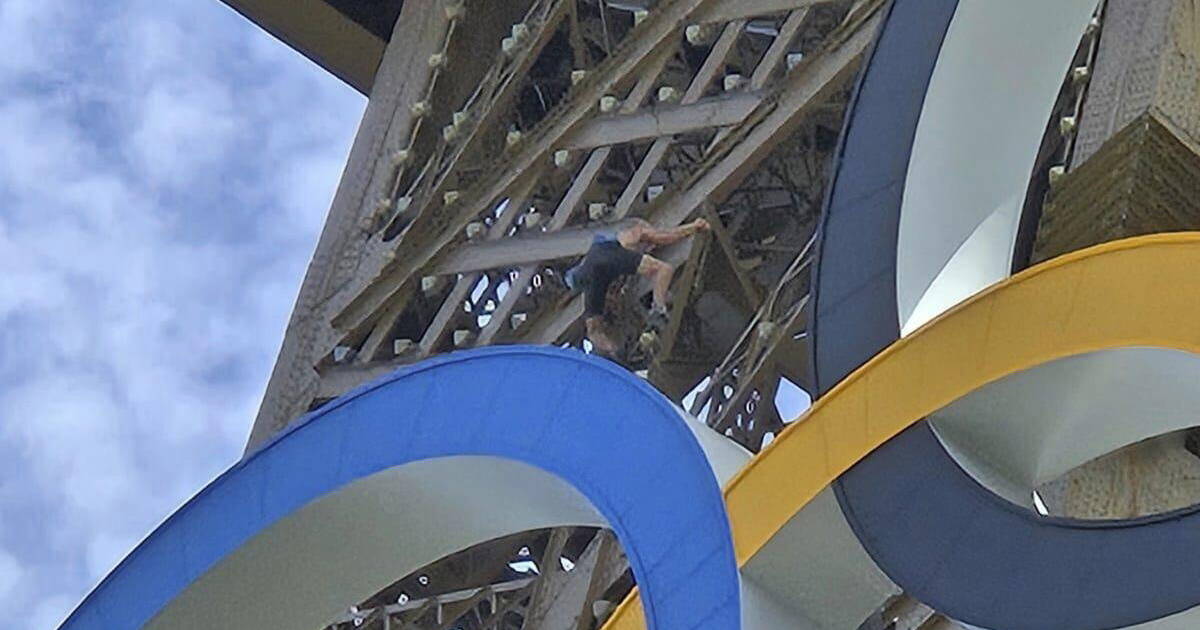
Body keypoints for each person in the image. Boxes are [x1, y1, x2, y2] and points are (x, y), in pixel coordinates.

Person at [563, 217, 711, 357]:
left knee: (595, 327)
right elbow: (664, 237)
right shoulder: (634, 231)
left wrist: (613, 350)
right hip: (607, 258)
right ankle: (658, 310)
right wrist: (694, 226)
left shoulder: (593, 266)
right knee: (663, 269)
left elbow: (593, 330)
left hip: (593, 275)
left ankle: (614, 351)